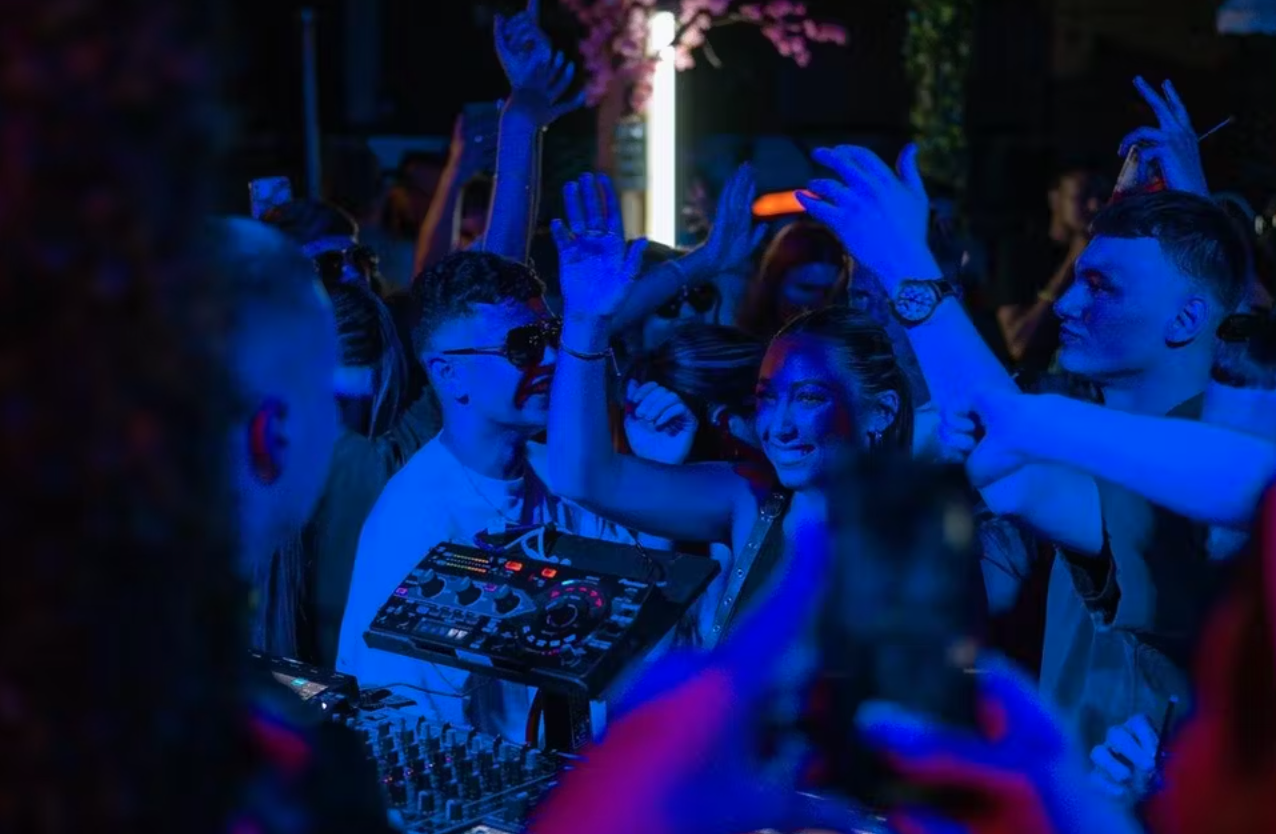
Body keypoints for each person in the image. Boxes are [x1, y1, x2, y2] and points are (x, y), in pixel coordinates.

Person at [796, 79, 1248, 754]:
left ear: (1186, 320)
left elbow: (1019, 468)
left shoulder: (1200, 461)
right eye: (1078, 278)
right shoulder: (1090, 420)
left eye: (1101, 286)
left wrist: (906, 267)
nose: (1065, 305)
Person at [548, 172, 913, 647]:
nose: (778, 427)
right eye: (766, 398)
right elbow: (581, 478)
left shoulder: (923, 529)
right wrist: (585, 322)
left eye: (809, 397)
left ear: (880, 411)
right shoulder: (750, 497)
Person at [336, 249, 662, 741]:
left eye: (551, 336)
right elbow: (411, 730)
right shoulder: (415, 523)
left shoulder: (559, 473)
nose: (550, 359)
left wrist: (656, 463)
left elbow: (644, 613)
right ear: (449, 374)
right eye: (522, 347)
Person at [738, 217, 850, 340]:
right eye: (806, 289)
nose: (818, 302)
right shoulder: (739, 339)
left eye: (827, 291)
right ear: (775, 282)